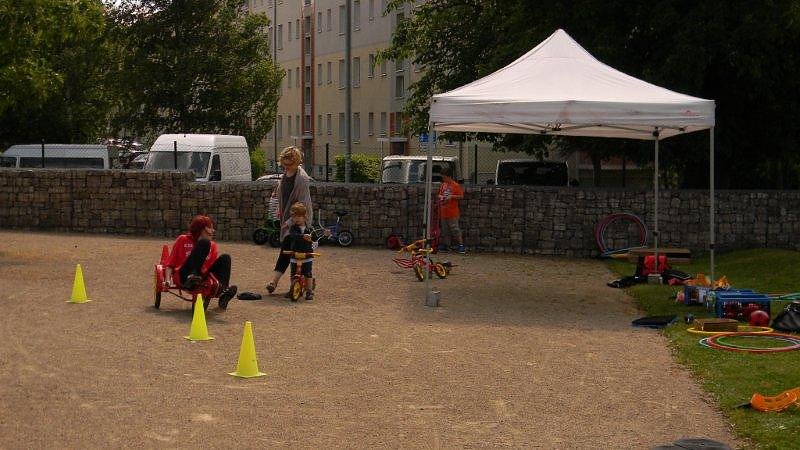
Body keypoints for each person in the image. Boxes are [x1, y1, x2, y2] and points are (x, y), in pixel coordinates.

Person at [266, 146, 313, 295]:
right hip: (288, 217)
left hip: (299, 220)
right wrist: (277, 194)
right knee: (289, 252)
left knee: (289, 251)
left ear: (296, 162)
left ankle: (276, 281)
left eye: (288, 164)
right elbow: (283, 190)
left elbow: (302, 206)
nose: (285, 166)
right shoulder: (286, 173)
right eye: (284, 164)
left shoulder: (302, 179)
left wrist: (291, 222)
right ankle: (302, 280)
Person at [163, 215, 238, 310]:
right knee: (204, 243)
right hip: (184, 275)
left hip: (201, 277)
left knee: (226, 257)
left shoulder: (213, 246)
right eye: (209, 228)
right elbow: (170, 264)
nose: (212, 231)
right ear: (201, 230)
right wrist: (167, 280)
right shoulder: (182, 240)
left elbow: (210, 270)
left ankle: (223, 291)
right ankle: (191, 277)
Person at [286, 202, 316, 301]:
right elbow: (293, 236)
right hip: (295, 254)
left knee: (307, 273)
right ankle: (292, 288)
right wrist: (302, 236)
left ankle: (309, 291)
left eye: (299, 216)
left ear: (304, 217)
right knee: (293, 273)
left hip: (307, 255)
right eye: (294, 217)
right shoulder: (293, 228)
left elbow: (315, 239)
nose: (296, 219)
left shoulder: (310, 229)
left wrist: (323, 237)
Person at [437, 166, 466, 254]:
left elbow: (461, 196)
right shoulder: (443, 185)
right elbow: (439, 194)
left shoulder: (455, 185)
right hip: (444, 211)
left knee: (455, 229)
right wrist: (441, 197)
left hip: (452, 212)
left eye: (444, 176)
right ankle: (447, 245)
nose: (443, 178)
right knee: (445, 230)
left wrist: (451, 197)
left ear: (448, 176)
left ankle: (461, 245)